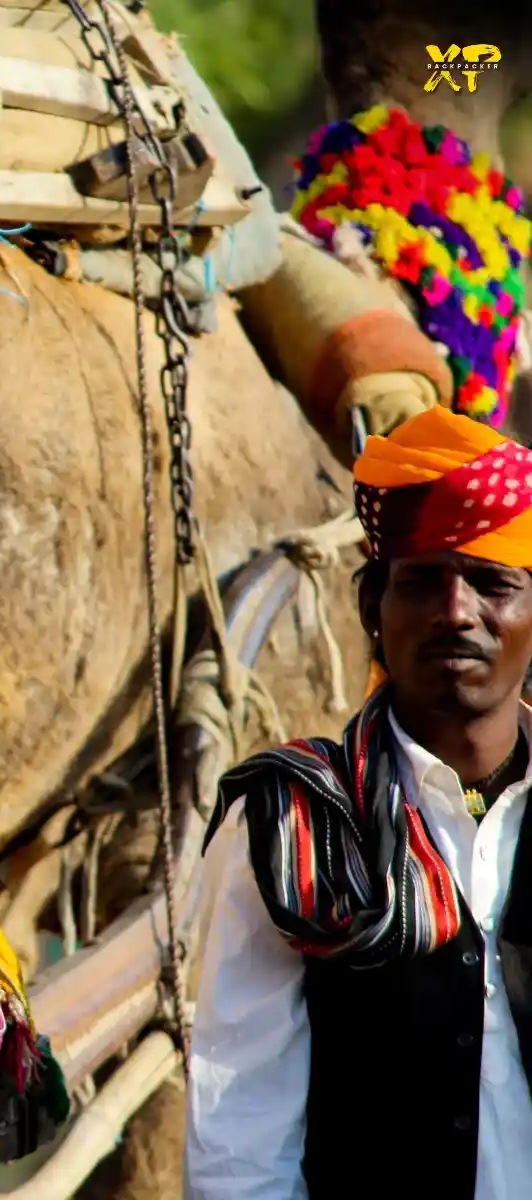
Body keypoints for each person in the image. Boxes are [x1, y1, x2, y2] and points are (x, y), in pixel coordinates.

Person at [185, 406, 532, 1199]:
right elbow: (241, 1136)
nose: (455, 611)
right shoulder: (290, 823)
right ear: (374, 611)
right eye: (420, 582)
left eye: (491, 581)